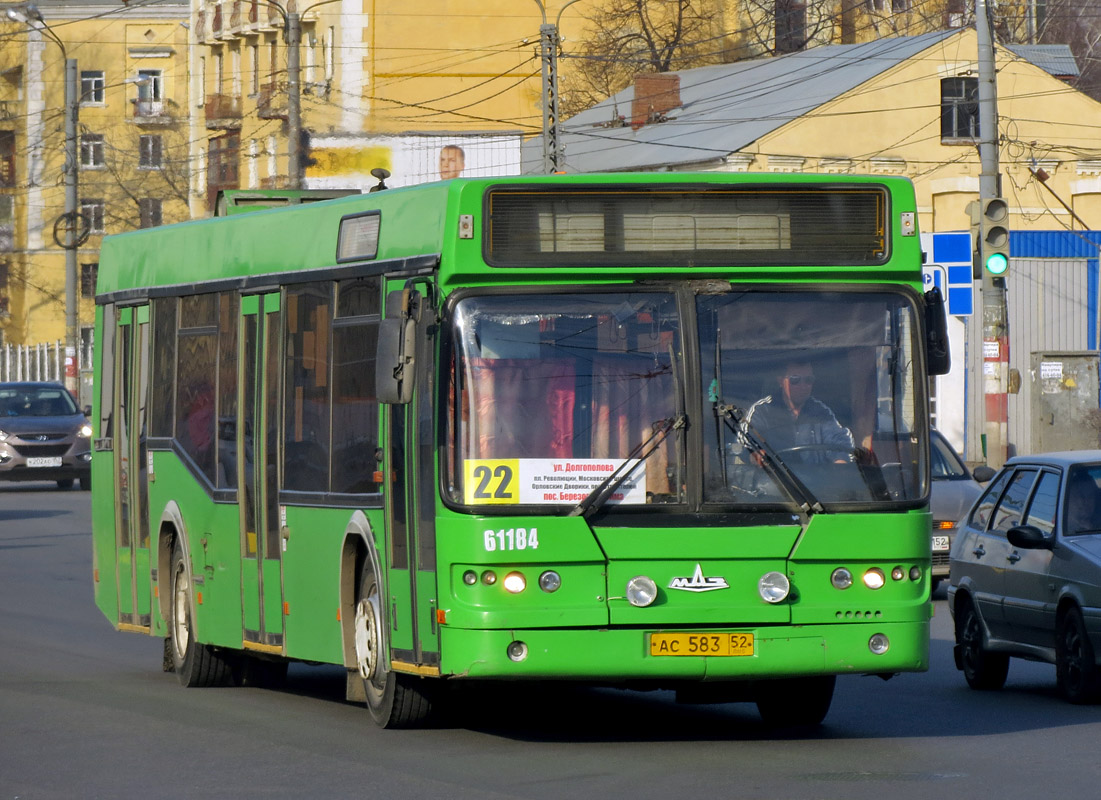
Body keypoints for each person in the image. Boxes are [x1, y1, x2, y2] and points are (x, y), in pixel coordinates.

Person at [742, 358, 854, 465]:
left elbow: (841, 442)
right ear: (781, 381)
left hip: (814, 481)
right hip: (772, 481)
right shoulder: (762, 410)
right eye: (795, 380)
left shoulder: (821, 412)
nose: (803, 386)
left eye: (808, 380)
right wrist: (754, 455)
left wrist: (840, 461)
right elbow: (745, 441)